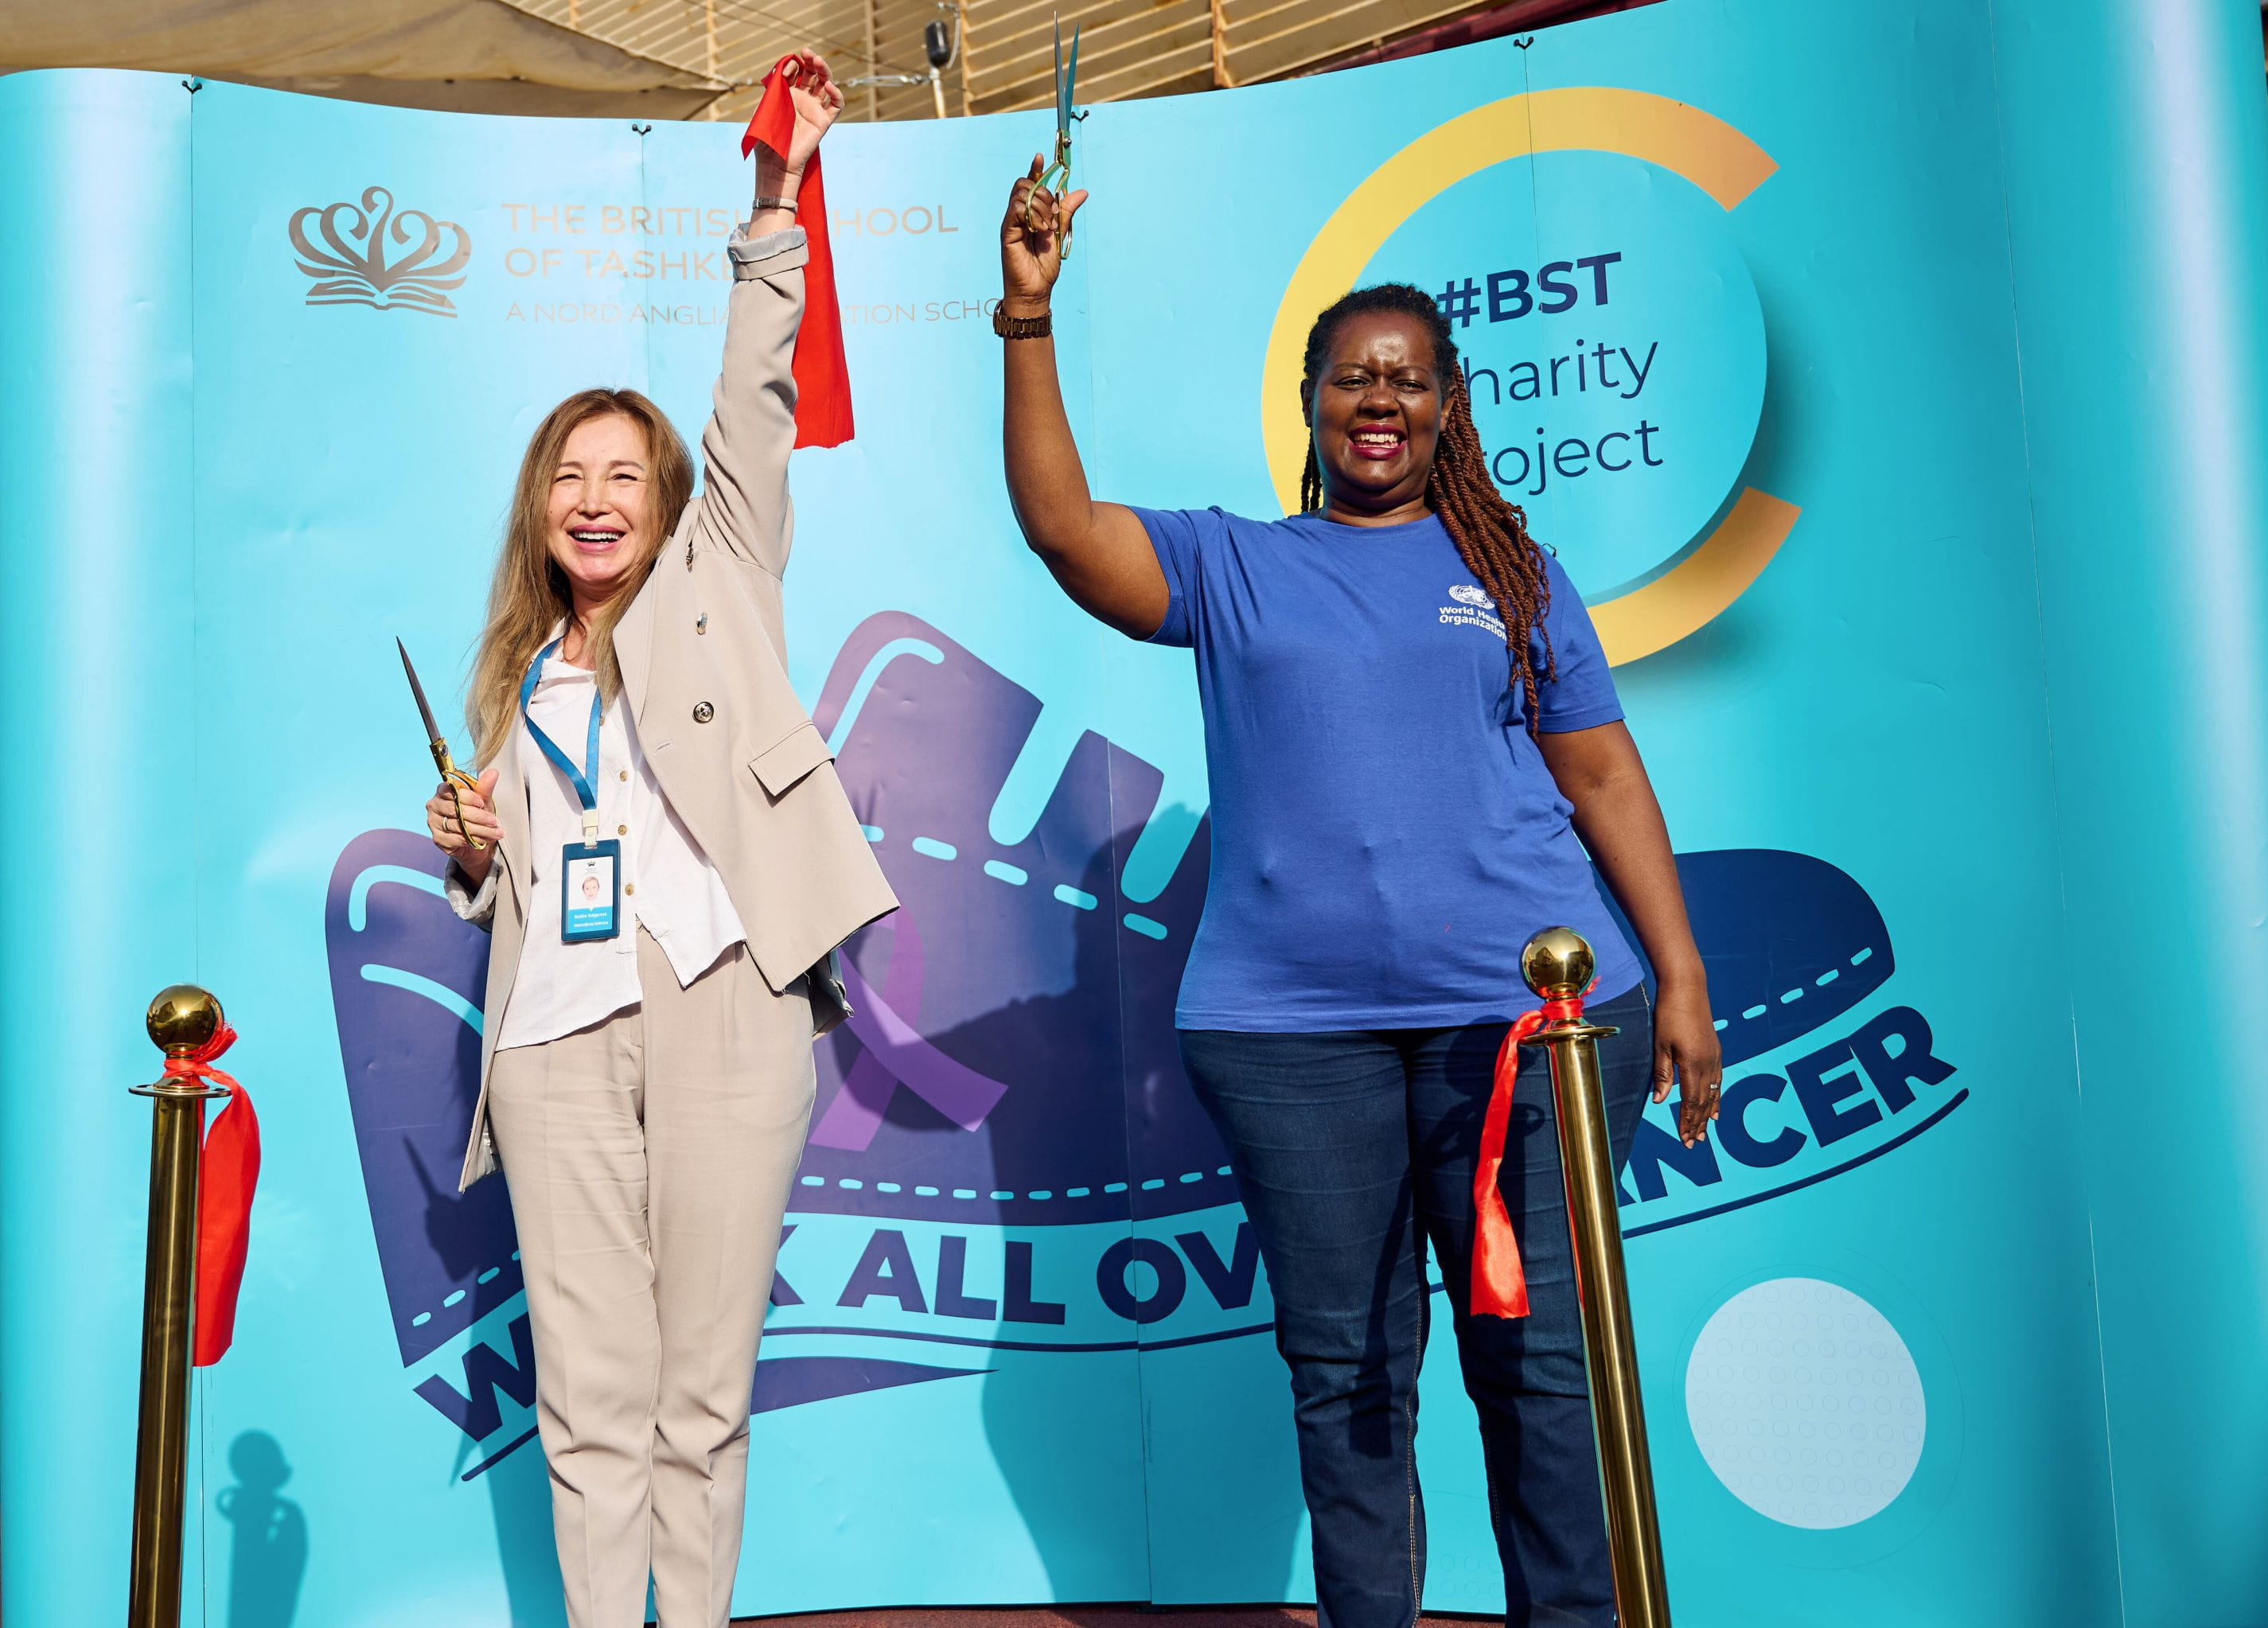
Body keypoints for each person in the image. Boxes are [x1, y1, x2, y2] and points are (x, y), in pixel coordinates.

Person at [994, 161, 1724, 1628]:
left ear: (1446, 406)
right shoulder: (1235, 563)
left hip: (1522, 1035)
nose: (1374, 400)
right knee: (1347, 1379)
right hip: (1290, 1041)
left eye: (1403, 379)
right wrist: (1024, 316)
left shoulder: (1513, 573)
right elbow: (1065, 527)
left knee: (1539, 1369)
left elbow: (1603, 783)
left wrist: (1684, 978)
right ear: (1314, 401)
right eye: (1348, 378)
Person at [423, 53, 894, 1628]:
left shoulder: (723, 577)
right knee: (590, 1403)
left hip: (724, 1004)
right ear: (539, 508)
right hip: (552, 1036)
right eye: (572, 475)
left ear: (669, 498)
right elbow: (521, 869)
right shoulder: (516, 673)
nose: (598, 496)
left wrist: (775, 202)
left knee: (702, 1400)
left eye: (624, 473)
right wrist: (474, 845)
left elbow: (750, 395)